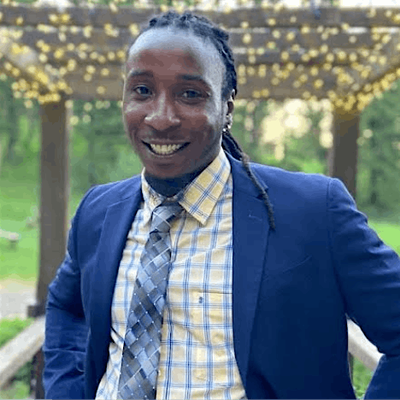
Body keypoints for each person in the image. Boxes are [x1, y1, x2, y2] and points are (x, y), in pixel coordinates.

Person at [43, 11, 400, 400]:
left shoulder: (315, 211)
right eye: (142, 90)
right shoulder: (98, 211)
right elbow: (67, 307)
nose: (160, 118)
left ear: (227, 108)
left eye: (190, 94)